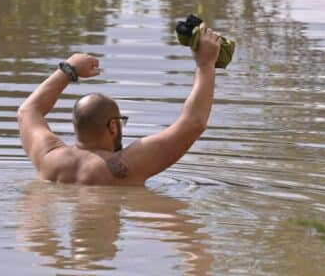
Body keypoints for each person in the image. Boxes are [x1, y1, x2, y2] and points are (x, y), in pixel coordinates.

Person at [17, 24, 221, 185]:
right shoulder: (127, 165)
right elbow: (193, 123)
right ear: (113, 125)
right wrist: (205, 65)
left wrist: (68, 70)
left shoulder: (48, 158)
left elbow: (28, 110)